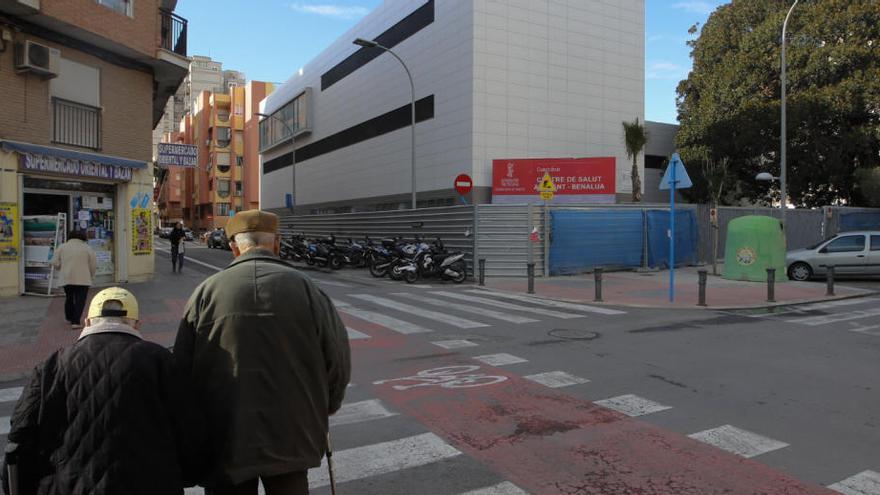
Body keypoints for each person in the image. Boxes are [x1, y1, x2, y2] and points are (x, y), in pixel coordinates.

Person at [173, 209, 351, 495]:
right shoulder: (307, 289)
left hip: (224, 436)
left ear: (233, 247)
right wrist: (324, 405)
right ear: (277, 243)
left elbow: (181, 370)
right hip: (293, 432)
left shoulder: (206, 293)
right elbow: (338, 361)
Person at [1, 287, 191, 495]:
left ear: (88, 322)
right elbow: (189, 428)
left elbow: (20, 435)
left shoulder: (53, 365)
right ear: (137, 324)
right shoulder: (161, 360)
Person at [51, 229, 97, 328]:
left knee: (69, 297)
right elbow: (93, 265)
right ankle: (75, 322)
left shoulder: (62, 247)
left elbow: (54, 262)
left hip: (67, 277)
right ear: (83, 237)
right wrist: (91, 275)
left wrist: (60, 267)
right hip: (83, 278)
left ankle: (69, 316)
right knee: (80, 300)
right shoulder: (87, 248)